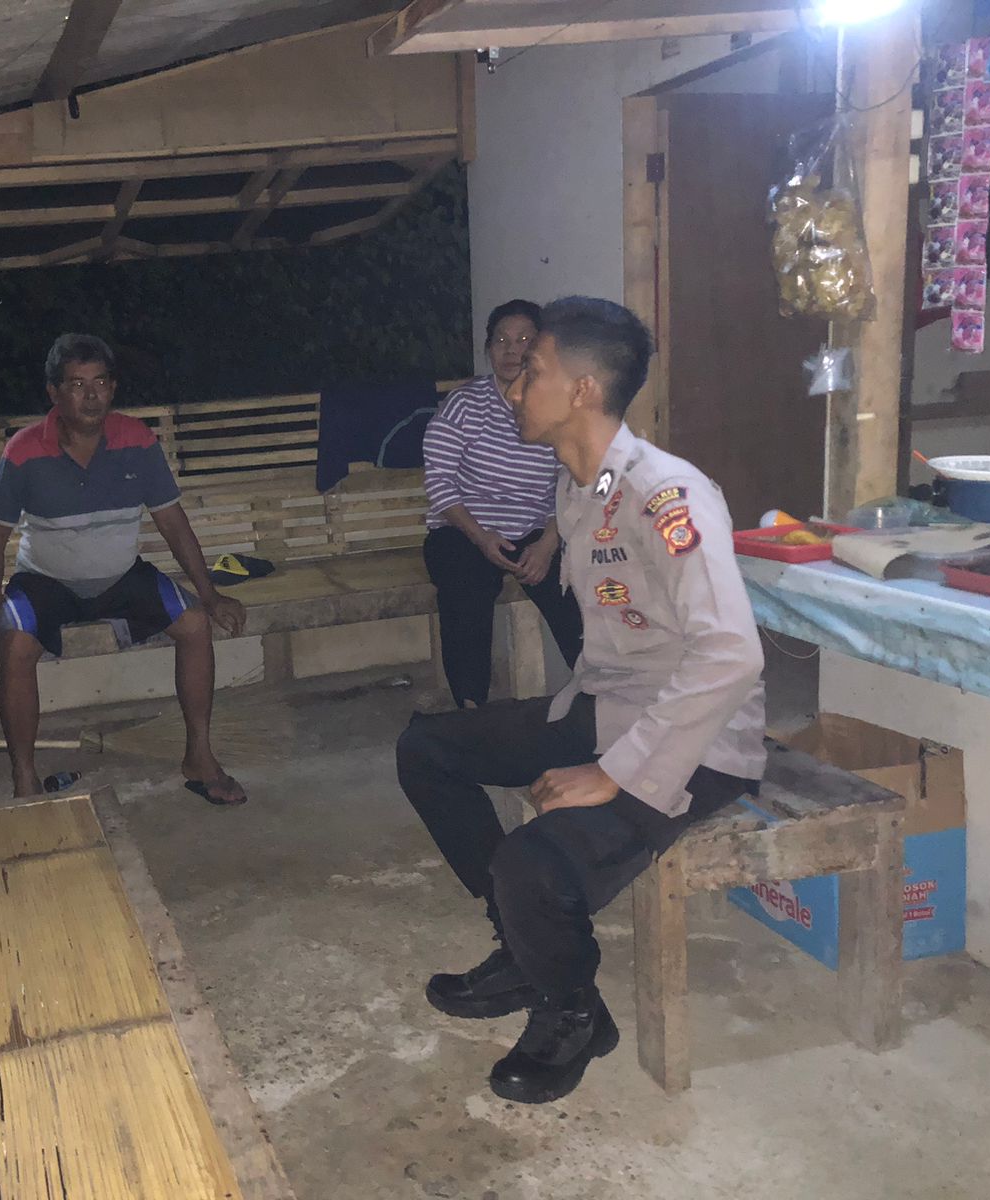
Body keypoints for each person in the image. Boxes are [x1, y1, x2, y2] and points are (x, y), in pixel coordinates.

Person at [396, 297, 765, 1104]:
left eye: (532, 371)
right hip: (606, 706)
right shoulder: (581, 488)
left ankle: (573, 1014)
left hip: (698, 740)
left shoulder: (667, 494)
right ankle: (527, 957)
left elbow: (732, 653)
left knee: (532, 861)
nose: (513, 385)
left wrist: (617, 773)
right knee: (428, 749)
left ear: (583, 390)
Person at [0, 334, 249, 804]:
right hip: (45, 581)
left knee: (196, 623)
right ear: (54, 392)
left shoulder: (137, 441)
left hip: (121, 577)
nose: (91, 395)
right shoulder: (24, 451)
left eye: (100, 382)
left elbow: (173, 523)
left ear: (113, 388)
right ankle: (25, 779)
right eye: (77, 384)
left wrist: (210, 594)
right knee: (15, 645)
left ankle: (199, 756)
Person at [422, 299, 582, 709]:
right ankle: (472, 708)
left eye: (524, 340)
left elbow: (573, 482)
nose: (512, 350)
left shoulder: (559, 407)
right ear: (488, 348)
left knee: (576, 590)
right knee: (465, 591)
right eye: (501, 341)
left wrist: (547, 545)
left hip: (537, 531)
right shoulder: (464, 405)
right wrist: (480, 537)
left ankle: (601, 696)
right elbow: (439, 482)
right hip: (463, 529)